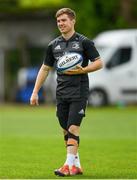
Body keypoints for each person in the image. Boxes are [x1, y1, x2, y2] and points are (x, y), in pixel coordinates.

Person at [30, 8, 103, 176]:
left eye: (64, 20)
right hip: (61, 92)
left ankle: (67, 165)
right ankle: (76, 165)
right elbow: (45, 68)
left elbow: (99, 63)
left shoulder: (85, 42)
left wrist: (82, 70)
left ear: (73, 21)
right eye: (58, 21)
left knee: (73, 128)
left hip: (79, 91)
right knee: (65, 129)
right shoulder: (53, 45)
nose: (61, 24)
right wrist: (35, 92)